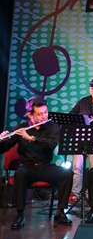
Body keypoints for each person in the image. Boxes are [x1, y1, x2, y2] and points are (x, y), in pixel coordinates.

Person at [0, 97, 74, 229]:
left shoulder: (52, 126)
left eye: (46, 112)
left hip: (45, 167)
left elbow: (51, 144)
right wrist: (2, 140)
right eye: (40, 114)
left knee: (67, 173)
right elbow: (5, 148)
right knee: (20, 174)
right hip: (27, 167)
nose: (45, 116)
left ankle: (60, 213)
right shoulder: (21, 128)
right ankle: (20, 214)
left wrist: (32, 138)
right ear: (30, 115)